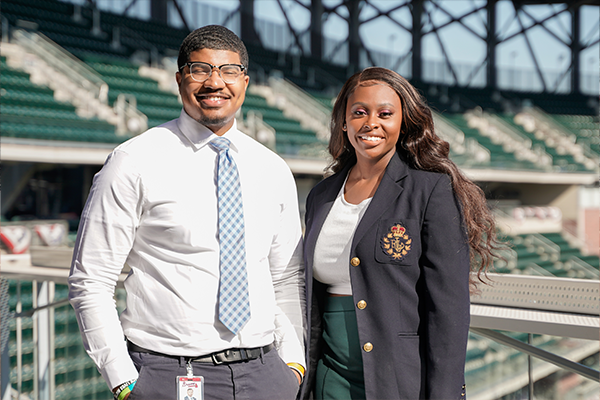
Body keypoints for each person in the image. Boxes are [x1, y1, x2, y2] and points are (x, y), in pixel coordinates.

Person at [69, 25, 305, 400]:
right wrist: (124, 381)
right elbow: (91, 280)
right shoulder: (133, 162)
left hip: (266, 375)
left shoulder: (273, 169)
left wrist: (293, 364)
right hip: (170, 376)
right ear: (180, 80)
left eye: (228, 71)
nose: (215, 82)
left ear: (244, 81)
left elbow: (286, 278)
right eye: (200, 70)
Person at [301, 67, 501, 399]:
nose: (371, 123)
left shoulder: (430, 191)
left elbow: (448, 310)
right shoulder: (321, 196)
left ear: (403, 123)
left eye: (385, 113)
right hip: (329, 378)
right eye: (359, 112)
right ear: (344, 121)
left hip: (399, 381)